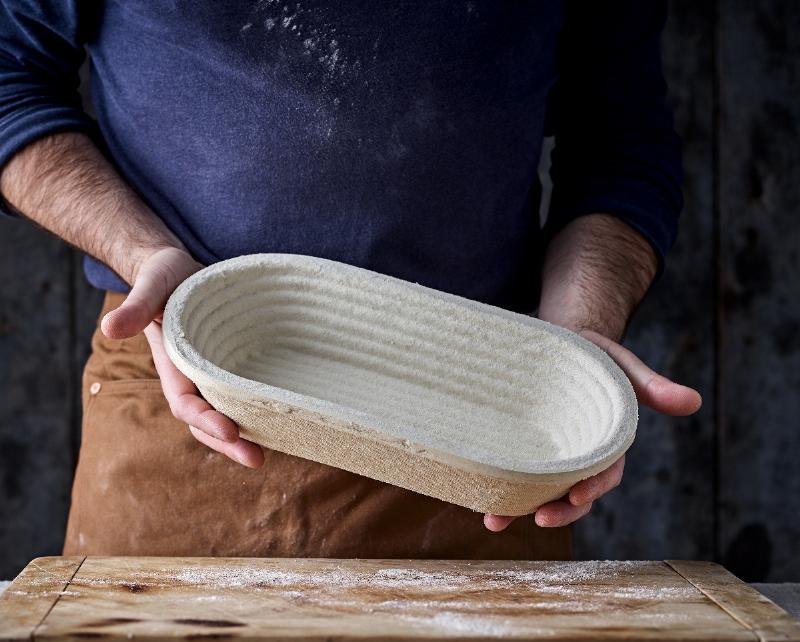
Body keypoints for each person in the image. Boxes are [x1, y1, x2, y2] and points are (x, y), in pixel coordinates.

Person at [0, 2, 701, 560]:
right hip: (186, 379)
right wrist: (141, 251)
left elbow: (621, 145)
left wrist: (574, 344)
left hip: (482, 417)